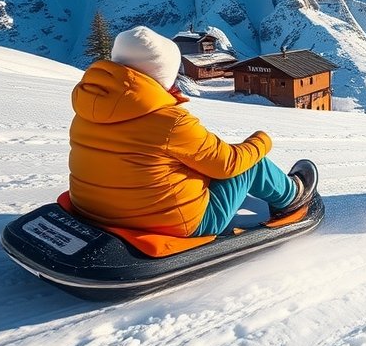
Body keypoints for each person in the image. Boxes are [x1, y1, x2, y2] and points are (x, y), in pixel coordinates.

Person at [69, 26, 313, 238]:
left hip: (93, 209)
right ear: (162, 73)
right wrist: (262, 141)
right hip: (177, 223)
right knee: (251, 164)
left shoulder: (88, 110)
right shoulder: (169, 121)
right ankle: (293, 197)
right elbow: (227, 164)